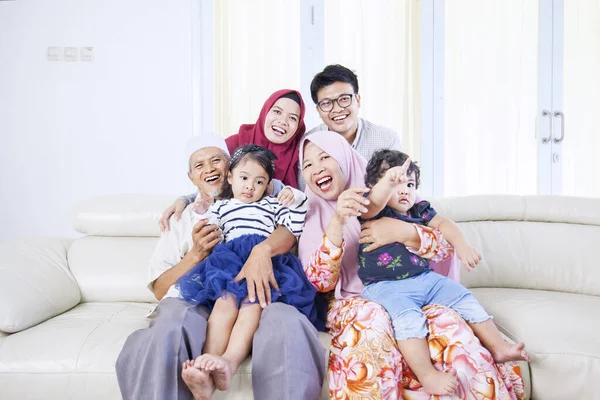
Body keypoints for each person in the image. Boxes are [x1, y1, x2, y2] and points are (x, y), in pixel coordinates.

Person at [298, 131, 525, 399]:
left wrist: (403, 232)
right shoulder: (309, 213)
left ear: (345, 158)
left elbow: (443, 248)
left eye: (325, 157)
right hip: (353, 302)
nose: (317, 168)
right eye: (308, 164)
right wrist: (337, 222)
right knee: (373, 323)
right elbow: (320, 282)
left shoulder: (389, 193)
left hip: (416, 286)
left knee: (450, 324)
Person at [115, 135, 326, 400]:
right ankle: (203, 372)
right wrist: (195, 254)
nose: (209, 168)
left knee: (287, 324)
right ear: (191, 177)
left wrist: (263, 251)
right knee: (171, 324)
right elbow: (159, 290)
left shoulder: (264, 199)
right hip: (198, 296)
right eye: (199, 165)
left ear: (228, 169)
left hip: (262, 289)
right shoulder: (181, 217)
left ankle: (228, 361)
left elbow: (290, 222)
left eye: (216, 160)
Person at [358, 149, 530, 395]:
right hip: (385, 286)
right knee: (408, 319)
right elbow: (372, 204)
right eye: (396, 182)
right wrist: (387, 185)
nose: (404, 189)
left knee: (462, 297)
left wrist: (463, 246)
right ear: (375, 185)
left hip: (424, 279)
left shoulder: (419, 210)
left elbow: (444, 224)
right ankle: (427, 375)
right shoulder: (373, 208)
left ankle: (498, 346)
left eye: (410, 183)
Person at [176, 144, 322, 398]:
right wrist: (195, 206)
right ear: (230, 178)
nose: (249, 187)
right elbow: (207, 223)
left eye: (259, 182)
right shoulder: (221, 207)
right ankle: (207, 365)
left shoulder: (271, 205)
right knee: (224, 304)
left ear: (267, 186)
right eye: (243, 178)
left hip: (264, 264)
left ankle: (229, 362)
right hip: (229, 261)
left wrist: (294, 197)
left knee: (253, 304)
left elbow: (296, 222)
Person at [159, 89, 306, 231]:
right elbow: (213, 185)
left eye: (292, 117)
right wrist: (185, 200)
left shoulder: (302, 156)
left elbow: (305, 204)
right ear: (265, 111)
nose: (283, 121)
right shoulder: (233, 146)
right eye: (277, 111)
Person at [296, 64, 401, 191]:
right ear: (318, 110)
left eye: (344, 99)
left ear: (358, 100)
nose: (338, 109)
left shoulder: (387, 140)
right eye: (326, 103)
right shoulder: (308, 144)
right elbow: (304, 194)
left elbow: (396, 191)